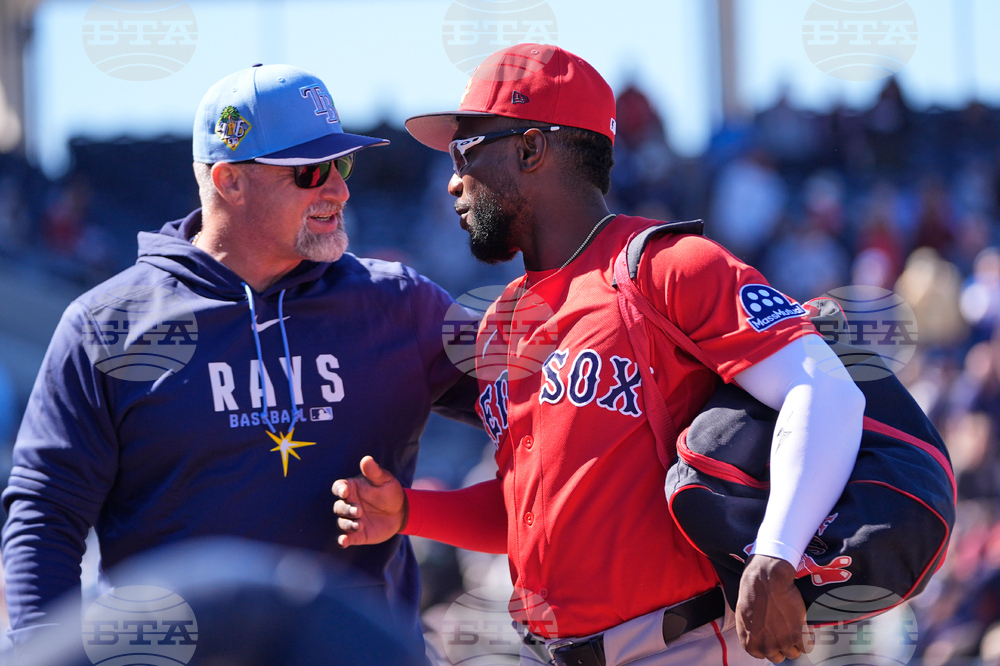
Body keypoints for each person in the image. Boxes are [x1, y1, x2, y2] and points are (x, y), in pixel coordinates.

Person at [332, 44, 866, 666]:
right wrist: (410, 512)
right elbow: (529, 511)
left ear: (531, 149)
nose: (451, 180)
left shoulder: (667, 268)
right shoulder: (502, 320)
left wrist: (776, 552)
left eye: (464, 151)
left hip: (684, 643)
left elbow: (823, 389)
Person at [1, 64, 480, 655]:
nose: (339, 189)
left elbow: (541, 418)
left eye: (343, 165)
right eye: (310, 171)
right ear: (229, 181)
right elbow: (45, 520)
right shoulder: (108, 324)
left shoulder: (399, 304)